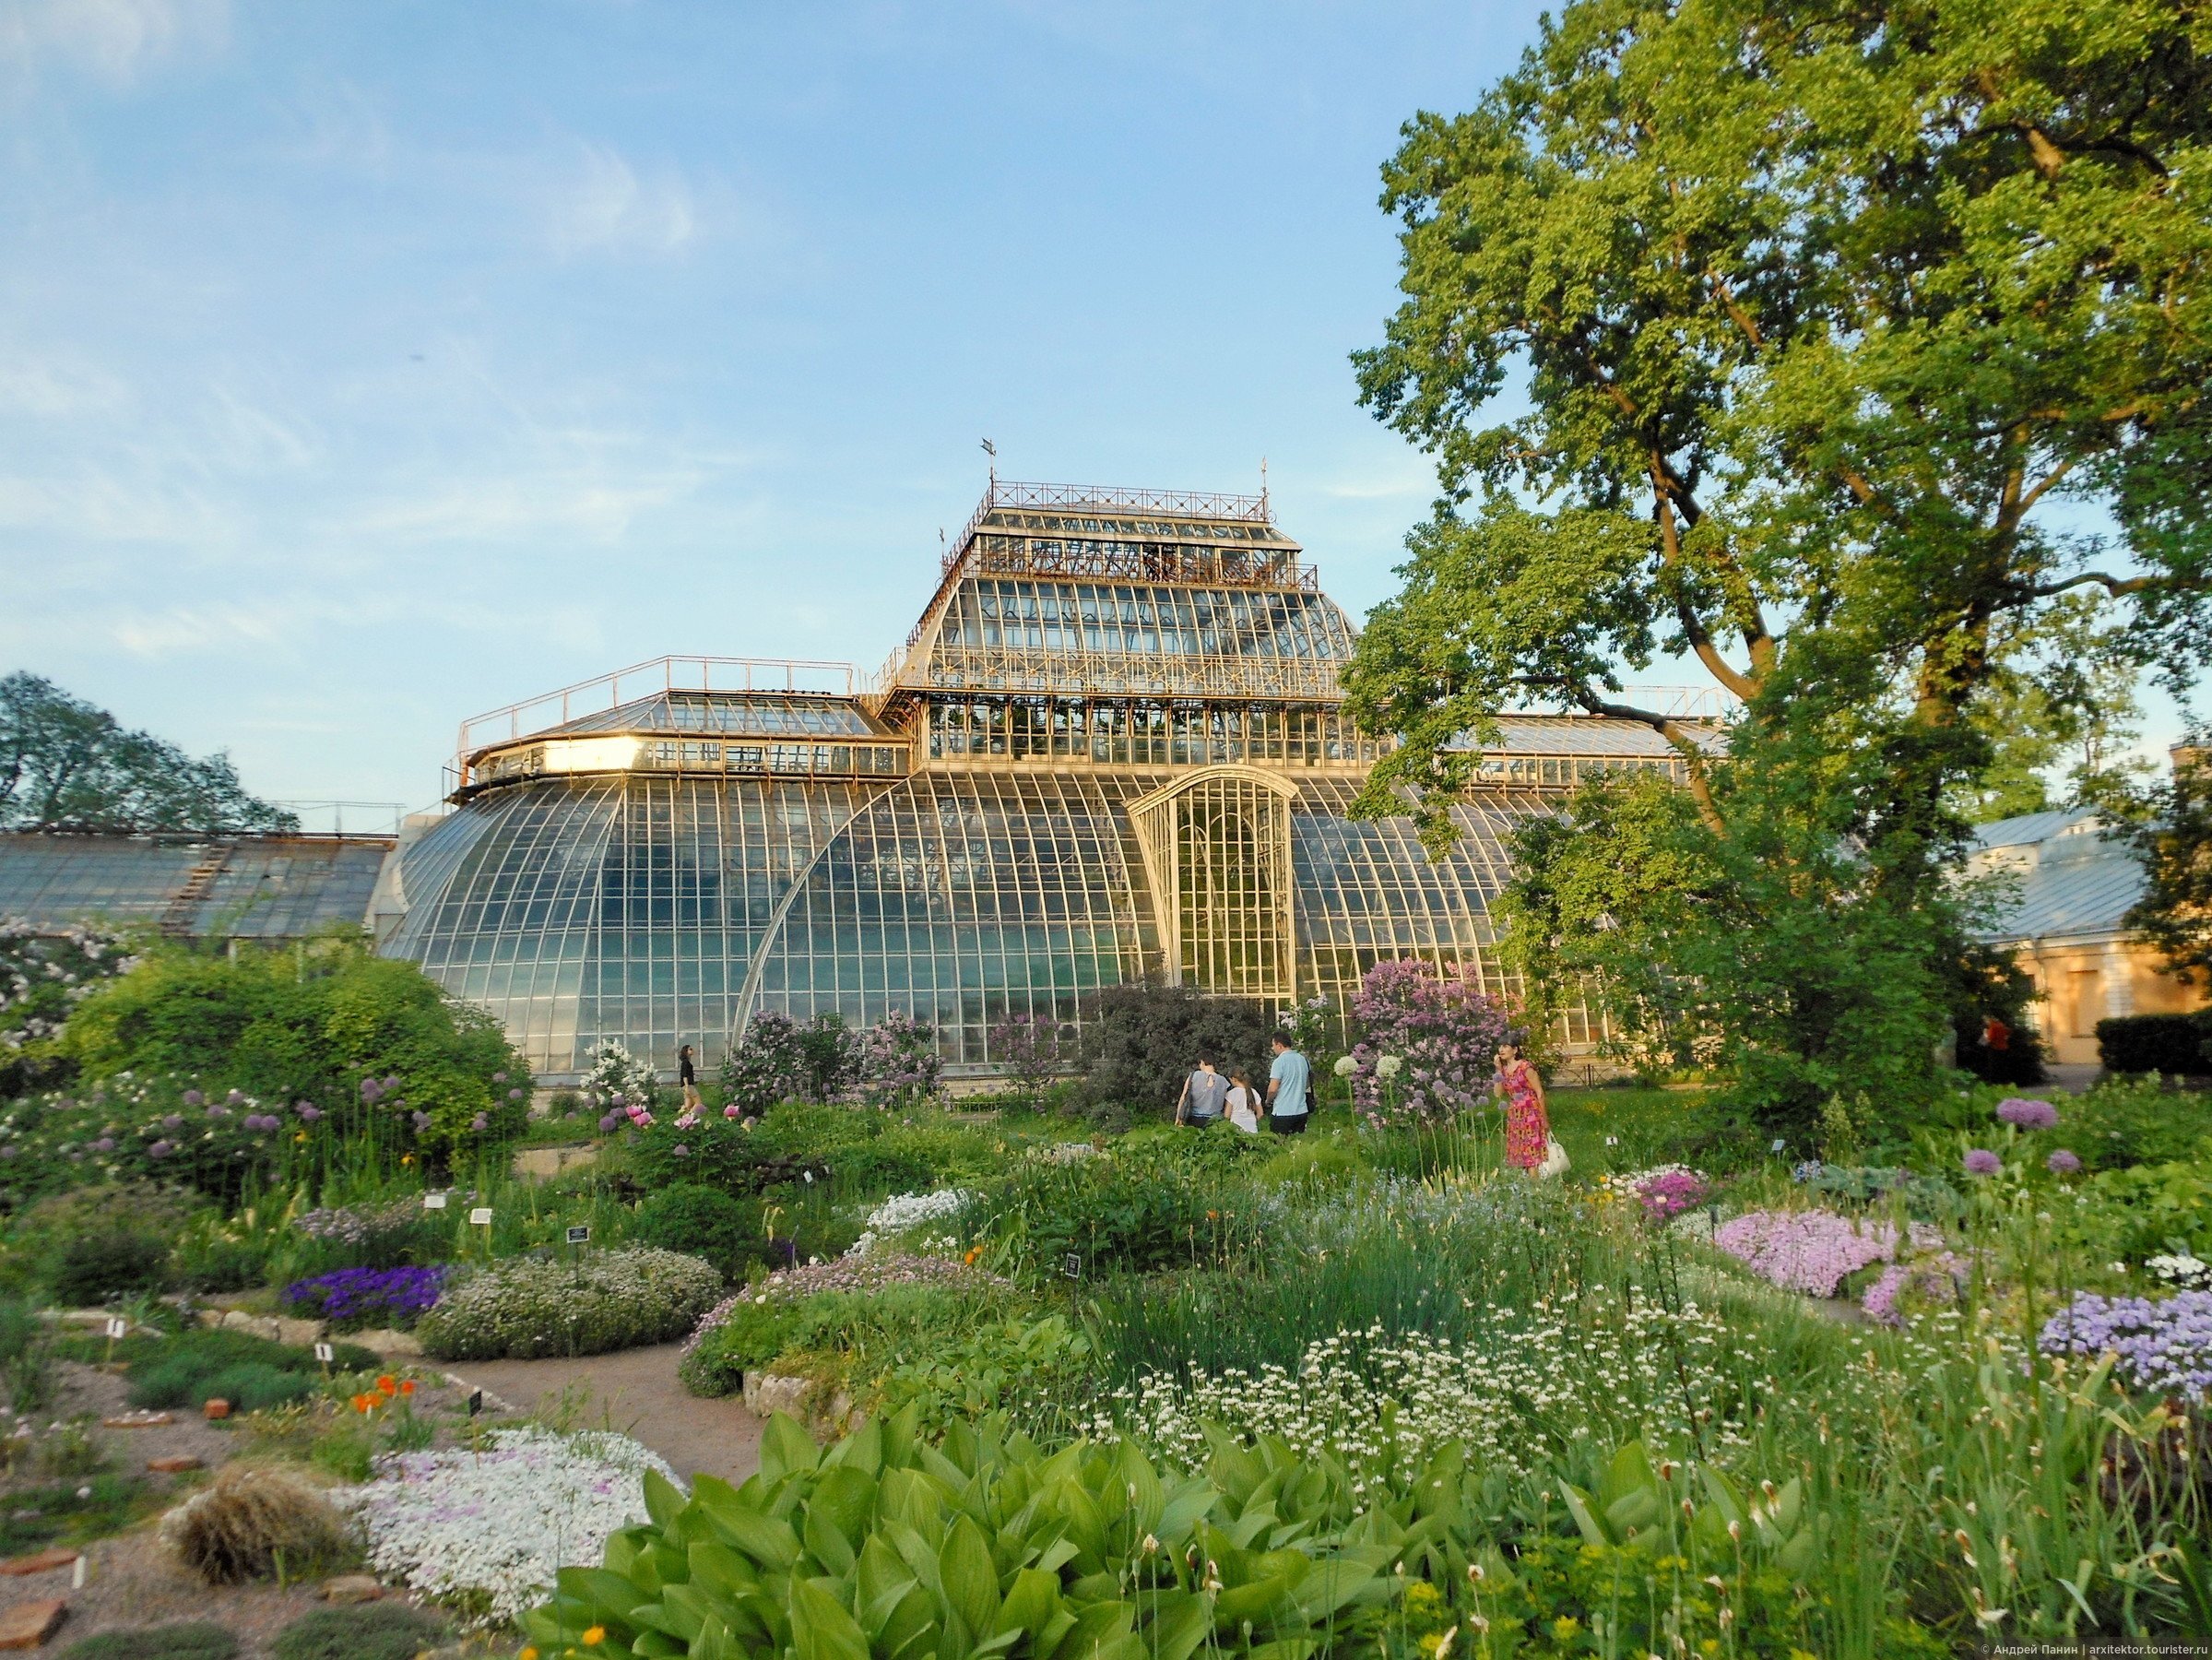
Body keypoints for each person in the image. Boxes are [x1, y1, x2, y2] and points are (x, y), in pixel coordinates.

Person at [1495, 1039, 1549, 1171]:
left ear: (1515, 1050)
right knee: (1520, 1154)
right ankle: (1528, 1187)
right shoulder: (1504, 1071)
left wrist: (1545, 1119)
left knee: (1531, 1154)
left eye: (1505, 1046)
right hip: (1515, 1115)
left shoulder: (1525, 1067)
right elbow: (1498, 1093)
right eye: (1500, 1046)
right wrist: (1498, 1069)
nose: (1501, 1049)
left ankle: (1536, 1187)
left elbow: (1539, 1092)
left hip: (1530, 1112)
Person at [1265, 1033, 1309, 1133]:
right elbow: (1307, 1082)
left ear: (1279, 1045)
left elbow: (1273, 1089)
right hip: (1301, 1110)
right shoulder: (1303, 1060)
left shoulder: (1279, 1062)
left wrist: (1268, 1100)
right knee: (1298, 1144)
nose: (1272, 1048)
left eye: (1273, 1045)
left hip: (1283, 1111)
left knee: (1280, 1145)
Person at [1176, 1057, 1227, 1127]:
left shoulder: (1194, 1076)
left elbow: (1183, 1097)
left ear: (1202, 1062)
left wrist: (1179, 1117)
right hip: (1216, 1121)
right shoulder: (1224, 1081)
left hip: (1194, 1119)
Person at [1224, 1069, 1261, 1133]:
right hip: (1252, 1128)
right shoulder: (1253, 1092)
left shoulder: (1231, 1093)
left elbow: (1227, 1115)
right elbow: (1260, 1113)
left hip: (1236, 1127)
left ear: (1233, 1079)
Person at [678, 1043, 702, 1112]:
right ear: (686, 1052)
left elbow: (686, 1072)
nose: (692, 1050)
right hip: (689, 1085)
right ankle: (691, 1115)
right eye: (690, 1049)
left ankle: (684, 1116)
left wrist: (694, 1074)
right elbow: (684, 1074)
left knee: (688, 1105)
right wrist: (687, 1086)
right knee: (698, 1102)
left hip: (684, 1085)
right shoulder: (686, 1062)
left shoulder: (685, 1062)